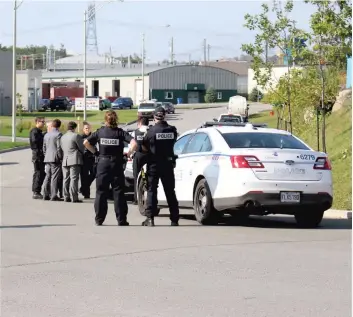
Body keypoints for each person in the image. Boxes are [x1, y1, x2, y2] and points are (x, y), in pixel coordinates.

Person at [84, 110, 137, 226]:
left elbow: (86, 142)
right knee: (118, 192)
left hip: (103, 163)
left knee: (101, 192)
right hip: (117, 164)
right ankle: (121, 220)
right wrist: (128, 154)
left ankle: (99, 219)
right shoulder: (120, 133)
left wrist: (96, 153)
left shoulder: (100, 132)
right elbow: (134, 143)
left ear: (105, 120)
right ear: (116, 120)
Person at [141, 106, 179, 227]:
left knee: (152, 190)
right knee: (170, 191)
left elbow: (144, 146)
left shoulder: (151, 132)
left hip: (154, 163)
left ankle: (150, 218)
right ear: (164, 116)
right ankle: (174, 219)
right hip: (167, 163)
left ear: (154, 117)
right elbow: (174, 142)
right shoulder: (172, 130)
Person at [61, 121, 85, 203]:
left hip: (65, 159)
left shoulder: (63, 137)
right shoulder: (76, 136)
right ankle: (74, 197)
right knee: (74, 179)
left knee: (66, 179)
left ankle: (66, 196)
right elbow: (82, 148)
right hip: (74, 159)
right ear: (74, 128)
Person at [43, 119, 63, 201]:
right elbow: (59, 147)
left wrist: (46, 155)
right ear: (59, 126)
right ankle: (54, 195)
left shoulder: (47, 135)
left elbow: (44, 147)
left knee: (48, 176)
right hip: (55, 158)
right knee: (54, 177)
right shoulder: (58, 134)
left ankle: (45, 194)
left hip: (47, 157)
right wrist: (60, 157)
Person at [132, 116, 150, 204]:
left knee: (136, 177)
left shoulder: (135, 132)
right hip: (149, 156)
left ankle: (136, 198)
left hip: (138, 156)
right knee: (149, 176)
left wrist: (130, 154)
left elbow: (133, 145)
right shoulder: (151, 131)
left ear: (140, 123)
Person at [29, 117, 46, 199]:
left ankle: (36, 190)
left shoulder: (39, 132)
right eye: (42, 122)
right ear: (37, 122)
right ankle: (36, 191)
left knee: (40, 173)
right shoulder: (34, 131)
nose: (43, 123)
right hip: (37, 154)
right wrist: (42, 137)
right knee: (39, 173)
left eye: (44, 122)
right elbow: (34, 141)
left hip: (40, 154)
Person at [80, 122, 97, 198]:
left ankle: (83, 188)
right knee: (84, 176)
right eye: (86, 128)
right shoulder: (80, 137)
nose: (87, 129)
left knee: (94, 173)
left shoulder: (93, 136)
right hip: (83, 158)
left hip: (92, 158)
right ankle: (86, 194)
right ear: (83, 129)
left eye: (88, 128)